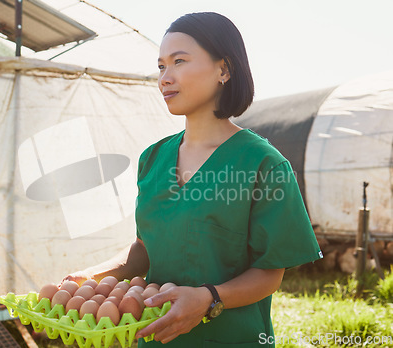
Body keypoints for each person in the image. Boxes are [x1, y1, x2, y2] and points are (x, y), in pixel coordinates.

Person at [63, 12, 323, 347]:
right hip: (155, 337)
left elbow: (270, 272)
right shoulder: (152, 159)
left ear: (224, 70)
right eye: (160, 67)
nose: (165, 78)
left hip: (230, 338)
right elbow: (144, 250)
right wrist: (89, 277)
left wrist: (209, 298)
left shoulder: (263, 164)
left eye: (179, 61)